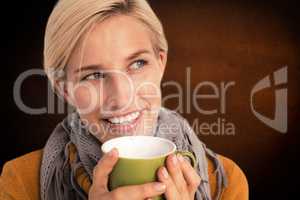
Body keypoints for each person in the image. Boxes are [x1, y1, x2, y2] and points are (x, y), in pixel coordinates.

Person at [0, 0, 248, 199]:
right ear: (64, 90)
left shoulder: (224, 182)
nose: (121, 97)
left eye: (137, 64)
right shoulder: (22, 181)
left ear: (160, 64)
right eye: (93, 75)